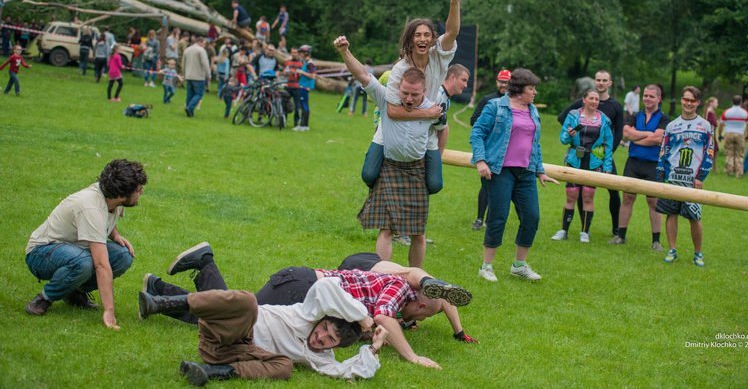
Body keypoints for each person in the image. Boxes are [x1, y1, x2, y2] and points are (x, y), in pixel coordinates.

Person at [140, 244, 457, 374]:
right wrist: (407, 353)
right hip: (301, 285)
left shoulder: (321, 355)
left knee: (228, 316)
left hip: (305, 290)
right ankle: (196, 268)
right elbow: (380, 315)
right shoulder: (399, 287)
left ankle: (159, 289)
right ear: (422, 300)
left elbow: (350, 367)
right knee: (237, 309)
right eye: (425, 314)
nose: (419, 319)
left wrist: (372, 352)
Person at [335, 35, 439, 267]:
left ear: (424, 90)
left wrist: (436, 159)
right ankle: (381, 275)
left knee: (418, 233)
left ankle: (415, 277)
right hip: (390, 167)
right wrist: (345, 52)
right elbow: (363, 75)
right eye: (405, 93)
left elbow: (442, 129)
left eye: (415, 94)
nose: (409, 99)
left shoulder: (433, 107)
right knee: (386, 229)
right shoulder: (385, 100)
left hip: (416, 171)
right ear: (398, 88)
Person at [361, 0, 463, 195]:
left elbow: (452, 31)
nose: (423, 39)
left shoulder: (439, 56)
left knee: (435, 184)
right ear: (410, 39)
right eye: (417, 35)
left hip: (424, 130)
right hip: (396, 126)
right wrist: (428, 114)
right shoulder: (400, 69)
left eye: (427, 35)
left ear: (432, 38)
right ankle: (385, 194)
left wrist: (454, 1)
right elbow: (393, 111)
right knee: (369, 175)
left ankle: (407, 203)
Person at [24, 159, 147, 328]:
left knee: (123, 255)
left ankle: (75, 292)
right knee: (84, 263)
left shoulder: (110, 195)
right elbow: (101, 265)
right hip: (41, 253)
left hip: (74, 250)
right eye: (139, 190)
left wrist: (115, 235)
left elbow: (106, 217)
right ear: (121, 195)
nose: (141, 192)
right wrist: (109, 311)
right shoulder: (91, 207)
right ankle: (44, 299)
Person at [470, 69, 558, 282]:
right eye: (531, 88)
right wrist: (480, 161)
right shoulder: (495, 107)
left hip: (526, 172)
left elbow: (533, 143)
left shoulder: (533, 110)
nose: (535, 92)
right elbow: (477, 133)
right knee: (498, 217)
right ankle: (486, 266)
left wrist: (539, 171)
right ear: (519, 90)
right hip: (500, 171)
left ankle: (519, 265)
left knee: (531, 217)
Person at [558, 70, 624, 236]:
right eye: (598, 80)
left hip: (600, 157)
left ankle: (616, 230)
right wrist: (570, 134)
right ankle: (572, 229)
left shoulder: (614, 107)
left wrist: (605, 157)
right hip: (577, 157)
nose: (601, 83)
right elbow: (563, 123)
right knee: (574, 193)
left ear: (610, 83)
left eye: (604, 80)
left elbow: (617, 134)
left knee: (612, 192)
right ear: (585, 99)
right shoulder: (576, 110)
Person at [656, 86, 715, 267]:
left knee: (694, 217)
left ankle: (698, 253)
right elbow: (664, 151)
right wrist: (660, 175)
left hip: (692, 180)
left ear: (697, 103)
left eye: (692, 100)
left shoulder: (705, 126)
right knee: (671, 214)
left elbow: (710, 152)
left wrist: (701, 177)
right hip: (672, 178)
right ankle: (672, 249)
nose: (688, 103)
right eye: (686, 100)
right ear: (682, 100)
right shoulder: (672, 126)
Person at [551, 89, 614, 243]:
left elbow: (608, 145)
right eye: (591, 98)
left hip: (593, 162)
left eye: (597, 99)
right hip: (574, 160)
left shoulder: (604, 120)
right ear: (584, 100)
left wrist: (607, 167)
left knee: (588, 195)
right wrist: (569, 135)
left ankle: (585, 232)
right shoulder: (573, 115)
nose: (594, 102)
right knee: (571, 194)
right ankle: (563, 230)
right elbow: (563, 139)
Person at [611, 84, 669, 249]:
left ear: (659, 98)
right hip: (634, 163)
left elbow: (658, 139)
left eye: (651, 96)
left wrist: (636, 138)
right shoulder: (635, 115)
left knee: (653, 201)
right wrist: (646, 135)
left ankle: (656, 241)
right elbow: (626, 133)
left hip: (653, 165)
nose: (647, 99)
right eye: (645, 95)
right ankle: (620, 236)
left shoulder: (664, 119)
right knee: (628, 198)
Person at [469, 69, 511, 230]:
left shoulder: (515, 102)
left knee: (502, 186)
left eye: (507, 82)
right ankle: (480, 219)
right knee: (486, 185)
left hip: (507, 151)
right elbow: (474, 121)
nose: (504, 85)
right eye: (501, 82)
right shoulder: (488, 100)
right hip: (489, 150)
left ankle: (493, 218)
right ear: (496, 82)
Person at [433, 64, 470, 154]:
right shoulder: (437, 95)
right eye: (463, 80)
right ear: (453, 77)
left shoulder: (447, 101)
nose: (466, 85)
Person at [719, 95, 748, 178]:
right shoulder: (744, 113)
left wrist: (720, 134)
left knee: (729, 153)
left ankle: (729, 171)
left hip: (729, 133)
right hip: (740, 134)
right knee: (739, 154)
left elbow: (721, 124)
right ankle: (739, 173)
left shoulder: (727, 112)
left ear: (732, 101)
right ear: (740, 102)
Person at [182, 36, 212, 117]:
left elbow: (183, 63)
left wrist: (184, 74)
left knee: (189, 94)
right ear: (200, 42)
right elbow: (205, 63)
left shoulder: (187, 50)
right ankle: (190, 108)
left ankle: (189, 112)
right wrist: (208, 74)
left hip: (188, 75)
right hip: (198, 76)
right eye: (204, 43)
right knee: (199, 94)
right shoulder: (201, 50)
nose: (205, 45)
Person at [293, 45, 317, 132]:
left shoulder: (310, 63)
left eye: (301, 52)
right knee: (303, 105)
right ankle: (303, 125)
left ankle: (304, 125)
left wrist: (301, 72)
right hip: (302, 86)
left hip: (305, 87)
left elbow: (313, 76)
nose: (300, 54)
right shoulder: (306, 63)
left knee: (304, 106)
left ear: (306, 53)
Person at [283, 47, 304, 127]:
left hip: (296, 86)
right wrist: (285, 73)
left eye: (295, 52)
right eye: (292, 52)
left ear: (298, 54)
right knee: (284, 103)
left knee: (297, 106)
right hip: (288, 85)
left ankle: (296, 123)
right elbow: (284, 73)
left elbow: (302, 75)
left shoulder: (301, 64)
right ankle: (284, 120)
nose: (294, 54)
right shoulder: (287, 62)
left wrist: (295, 72)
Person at [703, 96, 720, 171]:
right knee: (712, 150)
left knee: (714, 150)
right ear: (711, 103)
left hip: (712, 133)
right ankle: (712, 167)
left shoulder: (710, 111)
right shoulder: (710, 112)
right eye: (716, 103)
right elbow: (711, 124)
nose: (717, 104)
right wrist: (711, 135)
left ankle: (713, 168)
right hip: (711, 134)